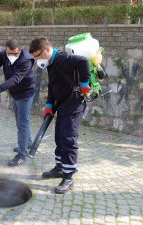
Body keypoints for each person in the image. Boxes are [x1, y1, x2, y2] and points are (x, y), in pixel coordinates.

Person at [29, 37, 91, 194]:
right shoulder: (51, 63)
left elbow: (83, 61)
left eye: (38, 55)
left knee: (68, 138)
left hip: (74, 103)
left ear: (47, 50)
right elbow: (53, 84)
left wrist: (84, 84)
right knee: (59, 136)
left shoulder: (62, 58)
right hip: (61, 104)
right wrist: (49, 104)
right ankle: (59, 168)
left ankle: (69, 176)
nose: (37, 59)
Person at [0, 38, 36, 167]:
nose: (12, 56)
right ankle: (27, 143)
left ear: (19, 50)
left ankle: (22, 155)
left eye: (15, 53)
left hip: (25, 93)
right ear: (6, 49)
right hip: (15, 93)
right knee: (20, 120)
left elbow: (15, 79)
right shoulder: (3, 54)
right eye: (9, 53)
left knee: (22, 123)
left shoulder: (26, 60)